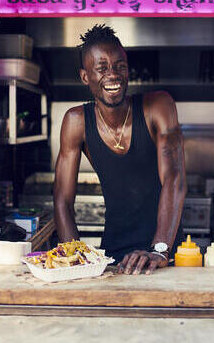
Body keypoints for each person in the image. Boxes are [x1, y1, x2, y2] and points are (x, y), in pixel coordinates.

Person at [53, 24, 186, 275]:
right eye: (101, 68)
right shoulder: (76, 121)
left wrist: (160, 249)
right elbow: (62, 198)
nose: (112, 75)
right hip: (113, 257)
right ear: (85, 77)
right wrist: (74, 257)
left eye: (119, 66)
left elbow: (174, 178)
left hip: (166, 255)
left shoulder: (158, 106)